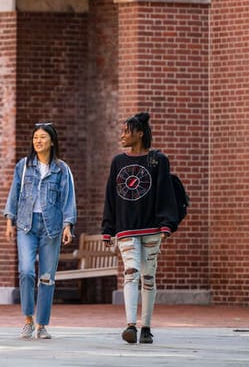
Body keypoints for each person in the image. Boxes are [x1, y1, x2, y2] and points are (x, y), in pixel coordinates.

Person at [101, 112, 178, 345]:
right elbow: (110, 197)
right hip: (126, 228)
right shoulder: (118, 162)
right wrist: (108, 228)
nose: (122, 135)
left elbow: (165, 193)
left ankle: (146, 327)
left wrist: (166, 223)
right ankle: (130, 325)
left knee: (148, 276)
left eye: (127, 131)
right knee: (130, 272)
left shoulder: (158, 160)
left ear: (140, 133)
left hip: (153, 228)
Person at [3, 122, 76, 340]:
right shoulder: (24, 166)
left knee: (46, 277)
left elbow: (68, 198)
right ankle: (27, 320)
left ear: (52, 141)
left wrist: (68, 225)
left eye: (43, 137)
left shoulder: (62, 169)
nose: (38, 141)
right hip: (26, 224)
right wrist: (9, 221)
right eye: (35, 137)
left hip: (51, 227)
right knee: (26, 271)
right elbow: (14, 194)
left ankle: (42, 324)